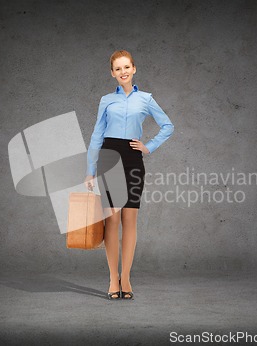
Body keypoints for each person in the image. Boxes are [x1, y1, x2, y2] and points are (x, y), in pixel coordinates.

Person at [84, 50, 174, 300]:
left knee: (130, 220)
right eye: (118, 69)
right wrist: (90, 171)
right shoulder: (105, 101)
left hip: (133, 159)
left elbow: (168, 125)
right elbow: (96, 135)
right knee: (111, 221)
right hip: (109, 156)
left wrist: (149, 146)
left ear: (134, 69)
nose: (123, 72)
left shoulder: (146, 99)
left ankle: (127, 277)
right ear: (112, 73)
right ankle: (113, 278)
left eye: (127, 67)